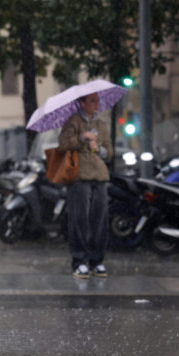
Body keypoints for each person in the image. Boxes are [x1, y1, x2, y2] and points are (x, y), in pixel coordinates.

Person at [57, 92, 112, 279]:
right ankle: (79, 261)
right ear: (82, 103)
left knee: (100, 220)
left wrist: (100, 149)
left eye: (98, 100)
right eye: (92, 100)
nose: (96, 104)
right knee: (80, 220)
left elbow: (110, 152)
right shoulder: (73, 122)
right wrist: (82, 138)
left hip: (100, 176)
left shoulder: (102, 124)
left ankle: (97, 261)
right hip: (79, 176)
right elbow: (62, 145)